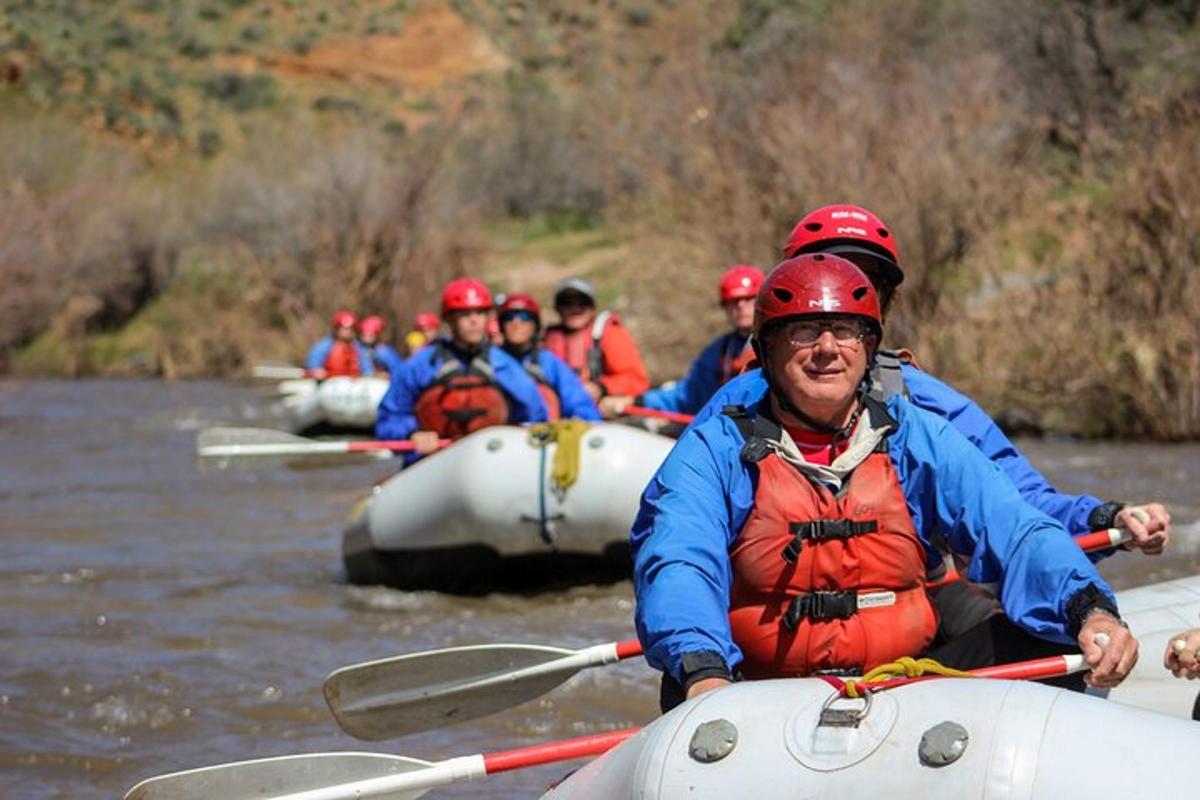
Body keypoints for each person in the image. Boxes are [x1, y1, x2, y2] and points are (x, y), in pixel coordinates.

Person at [632, 254, 1138, 711]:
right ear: (766, 350)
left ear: (869, 346)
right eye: (804, 331)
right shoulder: (716, 447)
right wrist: (703, 672)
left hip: (903, 687)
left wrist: (1090, 610)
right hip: (765, 699)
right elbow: (679, 557)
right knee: (683, 686)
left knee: (1054, 640)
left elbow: (1015, 527)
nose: (827, 349)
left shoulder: (913, 435)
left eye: (846, 331)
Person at [691, 204, 1170, 554]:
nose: (838, 299)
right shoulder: (734, 409)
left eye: (862, 285)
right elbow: (684, 534)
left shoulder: (923, 401)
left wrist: (1103, 517)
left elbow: (1018, 498)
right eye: (823, 281)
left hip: (899, 610)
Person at [376, 278, 548, 455]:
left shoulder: (506, 366)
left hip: (491, 456)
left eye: (480, 313)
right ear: (449, 319)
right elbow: (389, 418)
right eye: (465, 314)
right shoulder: (420, 366)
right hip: (432, 459)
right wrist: (411, 433)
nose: (474, 321)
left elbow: (535, 417)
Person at [605, 265, 764, 417]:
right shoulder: (720, 350)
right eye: (733, 301)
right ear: (725, 307)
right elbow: (689, 393)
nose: (741, 306)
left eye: (749, 298)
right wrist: (638, 401)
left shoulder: (776, 344)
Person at [542, 278, 650, 404]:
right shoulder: (546, 338)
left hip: (602, 412)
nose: (574, 309)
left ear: (592, 307)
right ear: (558, 309)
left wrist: (601, 388)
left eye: (582, 303)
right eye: (567, 303)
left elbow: (636, 380)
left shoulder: (609, 332)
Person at [497, 293, 602, 421]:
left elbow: (579, 404)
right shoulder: (489, 361)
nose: (516, 323)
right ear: (501, 325)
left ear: (535, 325)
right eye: (509, 317)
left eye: (524, 317)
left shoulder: (549, 363)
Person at [305, 311, 375, 379]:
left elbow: (367, 368)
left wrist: (369, 374)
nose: (348, 331)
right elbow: (313, 364)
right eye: (344, 328)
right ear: (337, 329)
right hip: (330, 381)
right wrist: (316, 370)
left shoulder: (358, 347)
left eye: (350, 329)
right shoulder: (325, 345)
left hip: (352, 382)